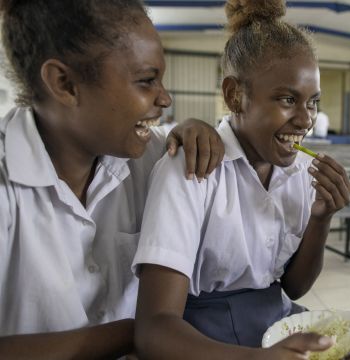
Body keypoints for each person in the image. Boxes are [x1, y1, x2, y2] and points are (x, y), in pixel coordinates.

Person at [0, 0, 226, 358]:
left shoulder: (151, 156)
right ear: (65, 84)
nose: (165, 97)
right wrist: (136, 332)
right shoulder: (6, 182)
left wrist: (193, 129)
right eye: (147, 81)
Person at [132, 0, 350, 358]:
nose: (305, 119)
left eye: (313, 102)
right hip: (201, 340)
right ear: (235, 95)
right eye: (287, 99)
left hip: (275, 320)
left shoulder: (297, 173)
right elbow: (154, 329)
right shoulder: (191, 169)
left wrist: (321, 217)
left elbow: (294, 288)